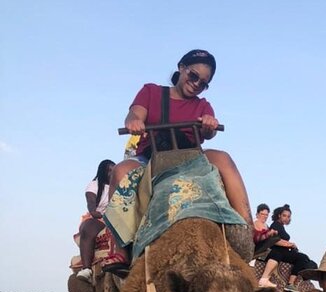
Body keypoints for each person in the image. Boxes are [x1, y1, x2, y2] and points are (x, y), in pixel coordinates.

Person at [104, 49, 253, 272]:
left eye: (203, 83)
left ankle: (247, 227)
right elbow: (134, 114)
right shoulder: (151, 92)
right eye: (193, 76)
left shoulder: (202, 105)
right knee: (121, 170)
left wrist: (209, 125)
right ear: (181, 68)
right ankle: (121, 247)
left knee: (223, 158)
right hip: (152, 157)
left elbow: (209, 134)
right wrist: (135, 121)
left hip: (190, 158)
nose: (196, 84)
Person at [257, 204, 316, 292]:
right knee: (302, 258)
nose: (286, 218)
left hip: (283, 251)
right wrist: (290, 245)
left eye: (288, 216)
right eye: (284, 215)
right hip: (278, 251)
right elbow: (275, 240)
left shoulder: (280, 226)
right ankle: (290, 284)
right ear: (279, 215)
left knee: (305, 258)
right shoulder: (276, 225)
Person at [76, 160, 116, 283]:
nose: (111, 173)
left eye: (113, 171)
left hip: (116, 217)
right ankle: (86, 268)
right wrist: (94, 212)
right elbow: (91, 202)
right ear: (102, 172)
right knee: (88, 228)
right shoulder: (94, 185)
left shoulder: (120, 185)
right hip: (99, 218)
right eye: (109, 171)